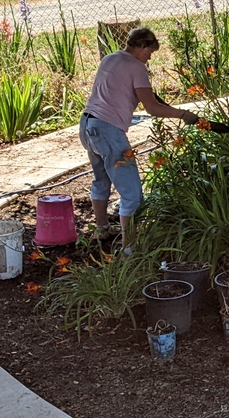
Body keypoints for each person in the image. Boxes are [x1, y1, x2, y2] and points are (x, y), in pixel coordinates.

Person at [79, 27, 199, 251]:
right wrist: (183, 114)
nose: (150, 58)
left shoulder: (110, 58)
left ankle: (102, 229)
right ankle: (129, 250)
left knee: (101, 180)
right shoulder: (136, 67)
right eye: (150, 52)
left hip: (88, 125)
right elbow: (152, 108)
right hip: (108, 130)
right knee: (132, 195)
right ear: (143, 46)